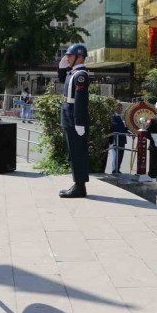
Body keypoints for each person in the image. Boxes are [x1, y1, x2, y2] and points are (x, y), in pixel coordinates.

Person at [59, 44, 90, 198]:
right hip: (68, 118)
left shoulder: (81, 75)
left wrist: (79, 122)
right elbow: (63, 81)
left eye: (69, 56)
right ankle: (77, 184)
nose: (67, 58)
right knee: (73, 153)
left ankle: (80, 187)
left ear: (79, 57)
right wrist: (61, 69)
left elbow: (80, 101)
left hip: (74, 119)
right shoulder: (73, 73)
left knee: (78, 153)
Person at [109, 102, 130, 174]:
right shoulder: (113, 116)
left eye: (121, 108)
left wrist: (130, 131)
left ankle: (117, 169)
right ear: (115, 108)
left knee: (120, 155)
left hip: (122, 139)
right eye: (119, 108)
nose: (121, 109)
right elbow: (117, 128)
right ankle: (114, 170)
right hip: (116, 139)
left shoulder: (120, 117)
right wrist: (126, 131)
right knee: (116, 155)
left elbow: (123, 128)